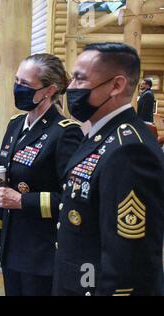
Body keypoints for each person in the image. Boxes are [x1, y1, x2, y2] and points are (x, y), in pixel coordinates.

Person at [53, 42, 164, 296]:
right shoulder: (101, 133)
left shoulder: (130, 150)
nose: (70, 89)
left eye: (80, 80)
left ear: (116, 85)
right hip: (78, 280)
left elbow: (130, 259)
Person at [0, 54, 84, 296]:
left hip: (42, 251)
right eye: (17, 80)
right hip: (11, 245)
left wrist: (22, 200)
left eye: (26, 84)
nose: (18, 88)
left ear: (50, 90)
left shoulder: (65, 134)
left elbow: (73, 199)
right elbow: (5, 189)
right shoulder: (16, 124)